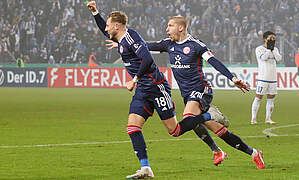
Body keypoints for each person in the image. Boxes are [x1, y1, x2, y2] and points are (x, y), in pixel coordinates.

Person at [87, 2, 228, 179]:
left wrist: (134, 79)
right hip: (142, 91)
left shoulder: (131, 37)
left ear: (116, 26)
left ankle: (210, 115)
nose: (106, 29)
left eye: (108, 25)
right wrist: (95, 13)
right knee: (132, 127)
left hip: (156, 86)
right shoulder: (121, 39)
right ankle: (146, 168)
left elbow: (147, 60)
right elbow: (103, 29)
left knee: (175, 130)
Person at [106, 16, 265, 169]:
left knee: (189, 117)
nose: (167, 29)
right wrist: (123, 44)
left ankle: (212, 118)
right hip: (187, 95)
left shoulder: (196, 45)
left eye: (170, 26)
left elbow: (214, 61)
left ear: (180, 27)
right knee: (218, 130)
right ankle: (252, 153)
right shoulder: (168, 44)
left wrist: (232, 78)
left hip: (201, 90)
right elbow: (145, 45)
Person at [251, 31, 281, 125]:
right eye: (270, 38)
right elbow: (263, 58)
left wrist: (272, 50)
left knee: (271, 98)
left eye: (274, 38)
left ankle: (268, 118)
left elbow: (279, 58)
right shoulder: (259, 49)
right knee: (258, 97)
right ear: (265, 39)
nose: (272, 40)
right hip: (263, 78)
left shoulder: (275, 49)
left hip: (273, 78)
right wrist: (268, 49)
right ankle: (253, 118)